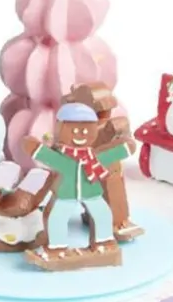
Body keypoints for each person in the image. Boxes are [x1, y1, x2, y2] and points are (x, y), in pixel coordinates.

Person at [22, 101, 134, 250]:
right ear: (60, 128)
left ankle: (103, 241)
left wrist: (125, 149)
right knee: (57, 217)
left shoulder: (93, 157)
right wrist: (35, 148)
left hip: (91, 192)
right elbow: (48, 156)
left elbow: (108, 156)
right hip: (66, 194)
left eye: (86, 130)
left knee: (103, 214)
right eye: (74, 130)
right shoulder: (63, 158)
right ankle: (57, 245)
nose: (80, 135)